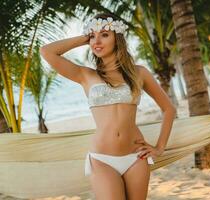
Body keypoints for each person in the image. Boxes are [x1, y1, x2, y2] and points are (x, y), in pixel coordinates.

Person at [40, 13, 176, 200]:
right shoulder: (85, 75)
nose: (97, 40)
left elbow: (169, 109)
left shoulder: (139, 73)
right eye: (93, 36)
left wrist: (160, 147)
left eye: (104, 34)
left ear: (117, 38)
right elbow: (47, 51)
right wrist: (84, 38)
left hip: (136, 157)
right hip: (102, 160)